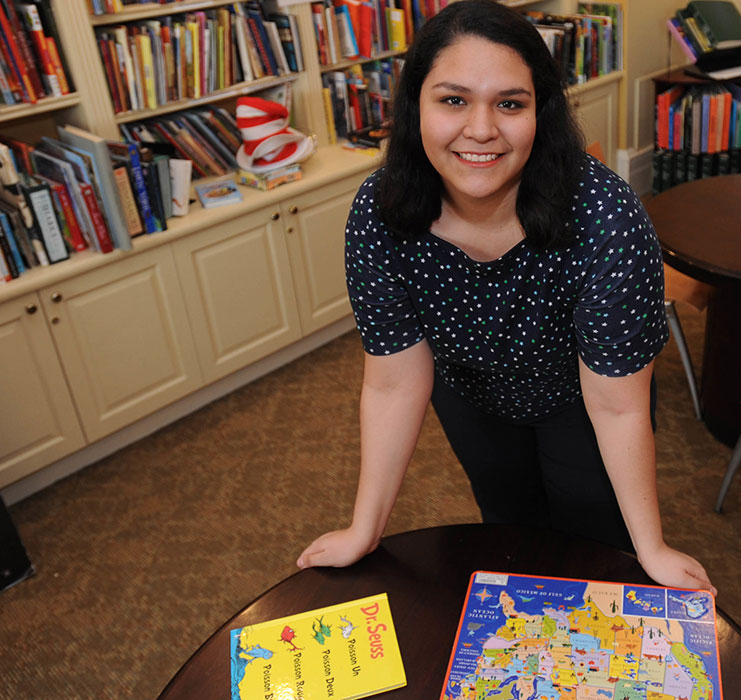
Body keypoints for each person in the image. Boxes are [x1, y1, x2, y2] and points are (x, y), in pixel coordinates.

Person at [297, 0, 713, 592]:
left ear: (540, 112)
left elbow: (618, 405)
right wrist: (364, 529)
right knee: (511, 536)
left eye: (510, 104)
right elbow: (393, 381)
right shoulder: (380, 211)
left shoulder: (605, 217)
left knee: (596, 553)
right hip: (472, 396)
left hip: (583, 403)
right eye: (453, 100)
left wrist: (652, 547)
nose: (482, 129)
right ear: (415, 104)